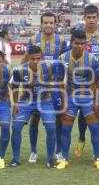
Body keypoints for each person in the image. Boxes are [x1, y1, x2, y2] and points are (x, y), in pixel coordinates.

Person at [8, 45, 65, 168]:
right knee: (16, 127)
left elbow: (60, 79)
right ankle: (16, 159)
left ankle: (50, 159)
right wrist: (15, 105)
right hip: (26, 100)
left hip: (45, 100)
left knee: (50, 127)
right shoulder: (19, 70)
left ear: (42, 58)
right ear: (28, 58)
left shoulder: (51, 66)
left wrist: (61, 98)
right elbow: (15, 87)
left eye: (38, 58)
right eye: (32, 59)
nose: (35, 61)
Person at [21, 12, 68, 163]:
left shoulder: (61, 41)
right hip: (36, 86)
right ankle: (33, 151)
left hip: (54, 86)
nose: (48, 25)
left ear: (55, 24)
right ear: (41, 24)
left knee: (59, 118)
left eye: (51, 23)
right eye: (45, 23)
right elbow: (26, 60)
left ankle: (59, 151)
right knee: (35, 118)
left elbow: (63, 62)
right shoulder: (33, 40)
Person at [57, 30, 99, 170]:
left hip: (87, 97)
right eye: (76, 43)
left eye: (82, 43)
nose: (79, 46)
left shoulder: (91, 59)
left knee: (94, 128)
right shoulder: (62, 58)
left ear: (85, 44)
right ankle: (65, 159)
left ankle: (97, 158)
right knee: (66, 129)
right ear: (71, 43)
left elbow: (98, 80)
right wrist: (63, 101)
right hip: (70, 97)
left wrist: (96, 101)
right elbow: (59, 82)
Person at [74, 4, 99, 158]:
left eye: (94, 17)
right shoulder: (79, 34)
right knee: (83, 112)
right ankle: (82, 139)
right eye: (88, 17)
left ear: (98, 18)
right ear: (84, 18)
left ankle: (97, 144)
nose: (91, 20)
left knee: (98, 112)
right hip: (83, 81)